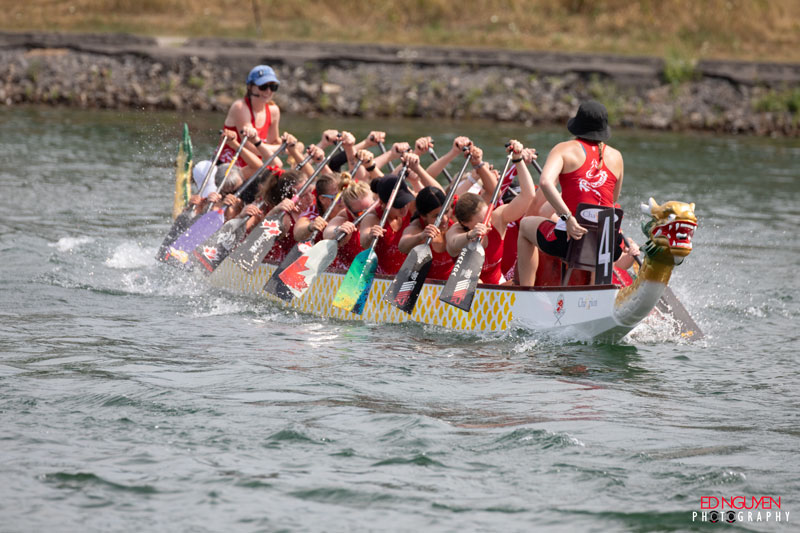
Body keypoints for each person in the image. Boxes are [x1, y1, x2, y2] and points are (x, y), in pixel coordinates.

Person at [517, 100, 625, 287]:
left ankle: (525, 290)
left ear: (578, 125)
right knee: (599, 230)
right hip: (610, 246)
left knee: (525, 226)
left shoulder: (564, 149)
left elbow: (544, 182)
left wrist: (568, 218)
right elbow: (613, 199)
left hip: (570, 241)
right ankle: (595, 293)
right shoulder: (617, 156)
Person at [445, 140, 537, 285]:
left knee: (529, 233)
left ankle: (528, 292)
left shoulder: (497, 217)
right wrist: (471, 235)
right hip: (467, 287)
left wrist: (518, 160)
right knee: (478, 281)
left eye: (486, 218)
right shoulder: (455, 230)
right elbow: (453, 243)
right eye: (480, 222)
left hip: (499, 286)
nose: (486, 224)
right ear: (464, 223)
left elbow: (528, 196)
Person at [218, 65, 284, 171]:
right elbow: (252, 148)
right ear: (250, 87)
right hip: (228, 167)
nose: (268, 91)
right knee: (267, 167)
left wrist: (290, 146)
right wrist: (283, 149)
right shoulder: (240, 107)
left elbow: (273, 142)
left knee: (275, 168)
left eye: (273, 87)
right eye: (263, 86)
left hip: (252, 168)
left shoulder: (274, 111)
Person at [359, 171, 416, 276]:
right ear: (382, 204)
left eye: (405, 202)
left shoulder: (411, 206)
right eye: (398, 205)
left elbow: (438, 200)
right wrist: (370, 235)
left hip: (404, 276)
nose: (404, 209)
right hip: (380, 278)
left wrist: (416, 177)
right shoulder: (373, 218)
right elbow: (363, 242)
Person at [398, 186, 454, 280]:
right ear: (423, 216)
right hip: (425, 290)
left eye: (446, 211)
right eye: (437, 216)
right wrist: (421, 236)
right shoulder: (416, 228)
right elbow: (402, 246)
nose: (444, 219)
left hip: (450, 287)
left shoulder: (454, 222)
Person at [324, 180, 376, 271]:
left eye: (370, 209)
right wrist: (338, 230)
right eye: (360, 213)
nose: (366, 215)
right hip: (349, 275)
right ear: (349, 210)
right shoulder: (343, 218)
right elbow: (327, 233)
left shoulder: (383, 212)